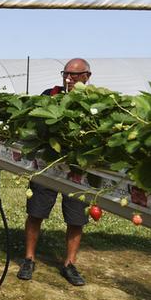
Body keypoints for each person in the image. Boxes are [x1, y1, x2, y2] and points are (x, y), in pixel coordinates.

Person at [17, 58, 92, 286]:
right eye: (65, 74)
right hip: (48, 166)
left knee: (76, 217)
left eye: (74, 75)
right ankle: (29, 259)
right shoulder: (50, 95)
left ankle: (69, 263)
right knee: (36, 212)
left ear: (87, 76)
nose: (68, 79)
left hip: (78, 170)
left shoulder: (94, 103)